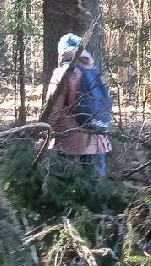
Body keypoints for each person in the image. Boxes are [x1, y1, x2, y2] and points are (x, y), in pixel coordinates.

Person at [44, 33, 112, 177]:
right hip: (98, 136)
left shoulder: (63, 72)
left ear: (61, 52)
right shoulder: (95, 71)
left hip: (70, 141)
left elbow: (53, 109)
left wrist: (45, 132)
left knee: (66, 186)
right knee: (96, 186)